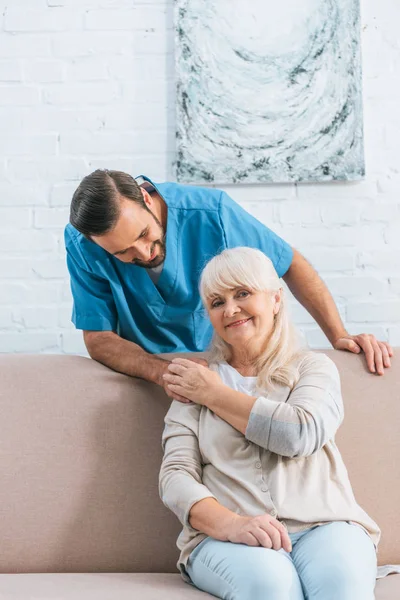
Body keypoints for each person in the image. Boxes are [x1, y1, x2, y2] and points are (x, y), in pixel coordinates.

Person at [159, 247, 380, 600]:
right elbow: (175, 477)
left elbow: (299, 433)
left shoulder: (312, 368)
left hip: (324, 525)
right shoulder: (193, 381)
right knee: (271, 584)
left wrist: (214, 395)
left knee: (342, 584)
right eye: (217, 302)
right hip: (225, 538)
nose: (230, 309)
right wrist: (233, 525)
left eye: (242, 293)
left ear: (276, 299)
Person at [65, 169, 393, 402]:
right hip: (156, 378)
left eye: (142, 235)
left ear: (147, 199)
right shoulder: (82, 246)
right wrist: (163, 373)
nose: (143, 253)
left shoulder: (212, 212)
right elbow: (98, 336)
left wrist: (339, 335)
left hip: (232, 363)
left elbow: (289, 263)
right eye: (121, 252)